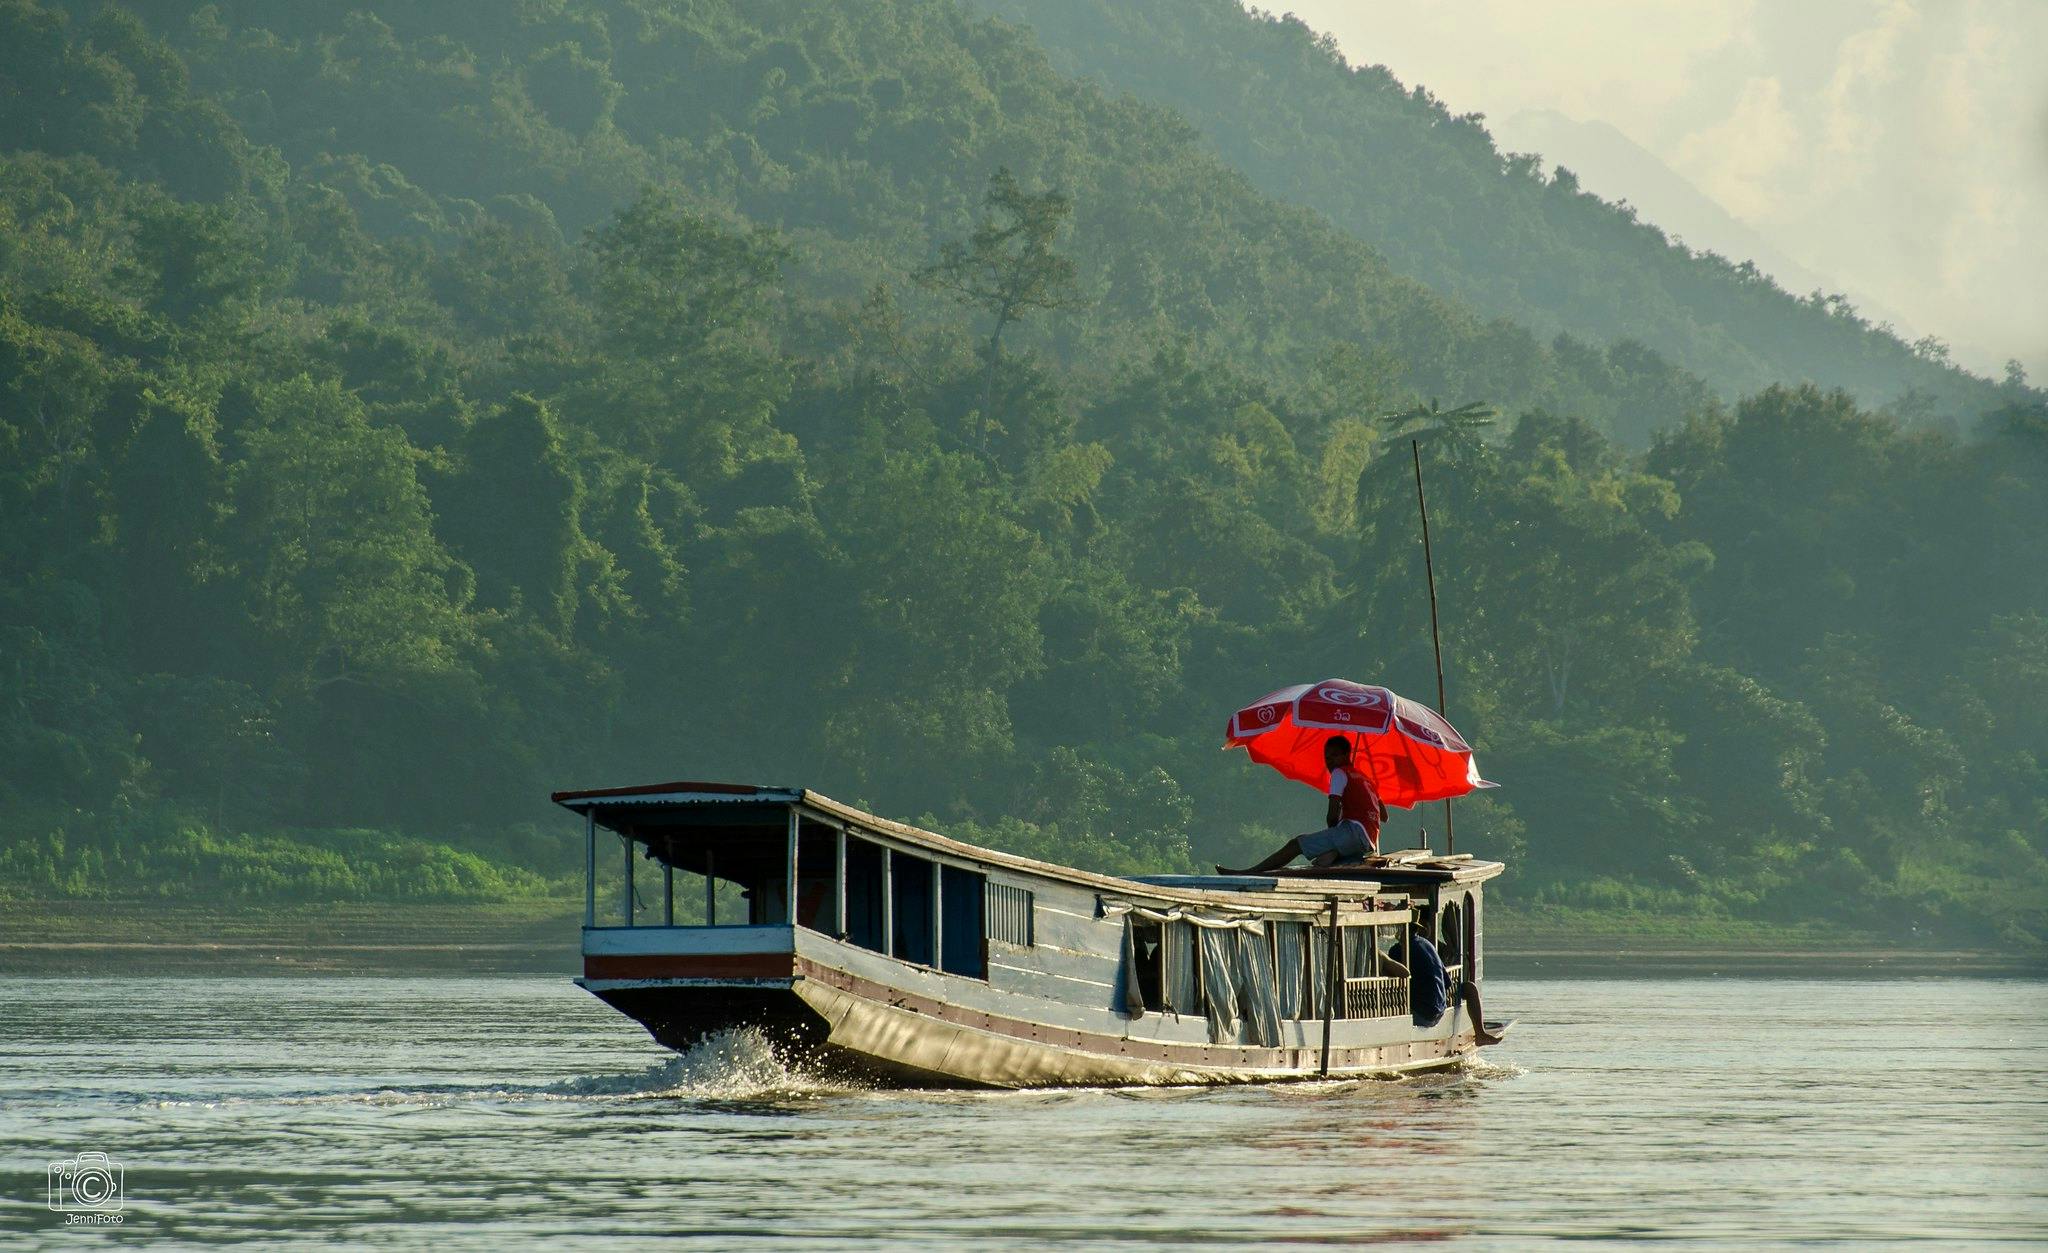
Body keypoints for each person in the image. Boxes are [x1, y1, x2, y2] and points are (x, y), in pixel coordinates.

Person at [1217, 735, 1387, 875]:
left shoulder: (1339, 773)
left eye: (1335, 756)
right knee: (1322, 860)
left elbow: (1332, 815)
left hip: (1352, 833)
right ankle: (1332, 854)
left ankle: (1251, 872)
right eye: (1327, 757)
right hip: (1368, 842)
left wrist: (1333, 830)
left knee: (1296, 844)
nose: (1330, 762)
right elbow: (1384, 816)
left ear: (1346, 755)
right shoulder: (1366, 779)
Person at [1382, 915, 1503, 1046]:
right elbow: (1447, 982)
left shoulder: (1397, 950)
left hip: (1423, 1014)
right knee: (1469, 987)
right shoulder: (1427, 944)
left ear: (1400, 930)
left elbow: (1396, 977)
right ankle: (1480, 1033)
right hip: (1440, 1009)